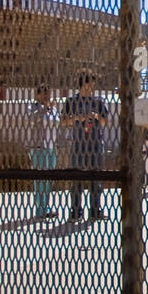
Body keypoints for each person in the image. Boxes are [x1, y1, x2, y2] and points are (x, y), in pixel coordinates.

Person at [63, 70, 110, 222]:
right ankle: (76, 212)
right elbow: (64, 122)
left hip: (95, 144)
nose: (91, 89)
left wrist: (96, 117)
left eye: (93, 86)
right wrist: (78, 118)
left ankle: (95, 211)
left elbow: (105, 122)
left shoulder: (99, 101)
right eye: (89, 86)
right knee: (76, 178)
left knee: (95, 178)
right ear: (83, 86)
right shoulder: (71, 102)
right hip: (78, 144)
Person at [25, 84, 59, 220]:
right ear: (37, 95)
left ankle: (46, 206)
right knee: (39, 180)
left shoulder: (53, 109)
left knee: (48, 179)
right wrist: (44, 109)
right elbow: (31, 119)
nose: (46, 96)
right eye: (44, 93)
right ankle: (40, 209)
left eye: (48, 93)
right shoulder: (32, 107)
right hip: (38, 147)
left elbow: (57, 122)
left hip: (51, 147)